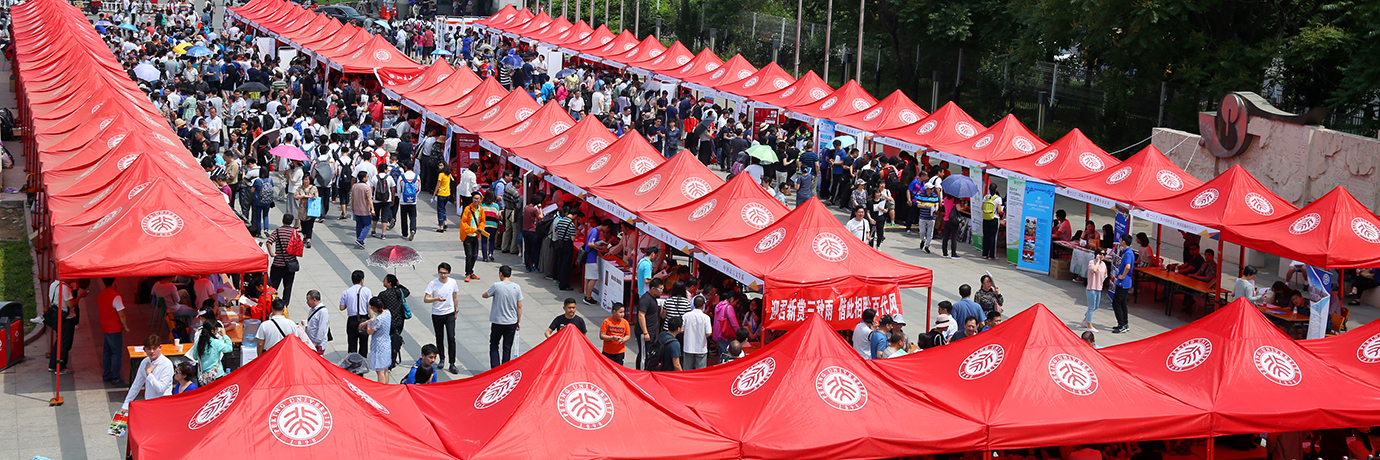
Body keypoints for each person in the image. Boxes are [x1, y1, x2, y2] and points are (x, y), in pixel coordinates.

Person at [483, 265, 524, 369]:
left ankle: (495, 368)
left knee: (494, 344)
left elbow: (485, 295)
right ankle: (505, 368)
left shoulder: (496, 286)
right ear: (510, 274)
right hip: (511, 322)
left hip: (498, 321)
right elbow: (519, 306)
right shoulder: (517, 287)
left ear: (500, 274)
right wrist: (518, 321)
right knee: (507, 347)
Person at [423, 263, 460, 374]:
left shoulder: (453, 282)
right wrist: (436, 299)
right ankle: (441, 358)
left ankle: (452, 362)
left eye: (445, 273)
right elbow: (426, 299)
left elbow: (455, 296)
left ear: (449, 273)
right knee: (439, 337)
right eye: (440, 273)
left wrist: (456, 310)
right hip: (437, 314)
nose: (443, 275)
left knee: (451, 337)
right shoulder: (433, 283)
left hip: (449, 314)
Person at [121, 335, 173, 412]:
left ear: (160, 348)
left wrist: (149, 374)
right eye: (149, 349)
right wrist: (125, 405)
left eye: (154, 348)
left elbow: (160, 389)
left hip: (163, 405)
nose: (152, 351)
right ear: (144, 349)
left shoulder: (167, 364)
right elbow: (136, 384)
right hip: (149, 404)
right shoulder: (145, 362)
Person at [47, 279, 83, 374]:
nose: (73, 279)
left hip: (57, 316)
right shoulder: (65, 288)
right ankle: (61, 366)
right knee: (65, 343)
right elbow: (71, 304)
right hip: (67, 319)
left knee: (59, 340)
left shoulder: (53, 285)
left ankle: (52, 364)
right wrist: (80, 296)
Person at [98, 278, 129, 384]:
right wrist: (125, 326)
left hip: (105, 327)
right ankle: (116, 377)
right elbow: (121, 314)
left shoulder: (101, 294)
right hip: (114, 328)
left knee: (107, 352)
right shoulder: (116, 297)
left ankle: (107, 374)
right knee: (117, 354)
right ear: (114, 282)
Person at [266, 214, 301, 305]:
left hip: (278, 263)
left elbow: (269, 242)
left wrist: (272, 253)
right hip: (290, 264)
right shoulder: (294, 232)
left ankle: (271, 302)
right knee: (288, 286)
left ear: (283, 220)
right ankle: (285, 304)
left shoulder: (277, 231)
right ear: (292, 221)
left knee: (273, 286)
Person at [379, 274, 411, 367]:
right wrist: (398, 284)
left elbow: (378, 304)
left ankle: (388, 358)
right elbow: (407, 292)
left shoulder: (383, 294)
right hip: (399, 320)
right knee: (396, 338)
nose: (383, 281)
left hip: (388, 321)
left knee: (387, 340)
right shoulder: (399, 292)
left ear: (389, 283)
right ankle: (393, 358)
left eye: (385, 280)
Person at [340, 270, 373, 357]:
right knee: (363, 343)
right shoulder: (367, 291)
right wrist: (371, 319)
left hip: (352, 320)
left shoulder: (346, 292)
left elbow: (341, 307)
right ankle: (362, 361)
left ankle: (352, 361)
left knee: (352, 343)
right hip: (364, 319)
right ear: (362, 280)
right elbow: (369, 306)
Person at [360, 297, 392, 383]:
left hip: (379, 345)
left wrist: (368, 324)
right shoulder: (387, 313)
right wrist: (368, 321)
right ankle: (386, 386)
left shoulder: (378, 319)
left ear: (374, 308)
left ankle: (382, 387)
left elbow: (370, 331)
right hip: (386, 343)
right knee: (385, 369)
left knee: (380, 370)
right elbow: (376, 318)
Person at [636, 278, 665, 370]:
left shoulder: (653, 299)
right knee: (644, 354)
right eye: (660, 289)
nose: (662, 291)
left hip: (652, 331)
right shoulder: (645, 299)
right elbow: (641, 315)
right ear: (653, 288)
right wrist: (645, 332)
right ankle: (641, 372)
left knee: (647, 353)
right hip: (645, 331)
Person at [582, 219, 613, 304]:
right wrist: (602, 247)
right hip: (591, 258)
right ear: (607, 227)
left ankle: (587, 295)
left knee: (588, 277)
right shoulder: (596, 232)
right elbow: (590, 244)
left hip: (589, 257)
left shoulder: (594, 230)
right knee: (593, 278)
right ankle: (588, 297)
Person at [459, 191, 488, 281]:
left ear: (481, 200)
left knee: (474, 255)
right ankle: (468, 273)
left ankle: (471, 272)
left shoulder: (481, 210)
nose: (476, 200)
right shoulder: (467, 209)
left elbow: (483, 221)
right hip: (467, 235)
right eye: (475, 198)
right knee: (469, 255)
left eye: (478, 199)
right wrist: (473, 230)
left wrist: (480, 229)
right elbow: (463, 223)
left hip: (476, 236)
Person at [1111, 235, 1136, 333]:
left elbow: (1128, 266)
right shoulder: (1127, 252)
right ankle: (1124, 323)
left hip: (1123, 282)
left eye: (1121, 240)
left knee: (1116, 303)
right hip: (1124, 282)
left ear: (1124, 242)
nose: (1120, 241)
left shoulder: (1128, 253)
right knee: (1123, 303)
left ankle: (1122, 324)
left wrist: (1122, 276)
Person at [681, 297, 712, 370]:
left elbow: (682, 330)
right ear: (703, 306)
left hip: (688, 347)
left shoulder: (686, 316)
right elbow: (708, 333)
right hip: (701, 348)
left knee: (687, 370)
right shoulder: (706, 317)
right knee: (700, 371)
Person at [1084, 249, 1108, 332]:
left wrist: (1101, 283)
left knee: (1096, 306)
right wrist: (1097, 261)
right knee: (1091, 307)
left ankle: (1086, 319)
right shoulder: (1092, 262)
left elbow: (1105, 275)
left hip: (1099, 288)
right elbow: (1094, 270)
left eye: (1104, 254)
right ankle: (1089, 325)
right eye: (1101, 254)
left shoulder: (1104, 264)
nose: (1102, 255)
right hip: (1091, 288)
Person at [397, 161, 420, 240]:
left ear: (405, 167)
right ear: (413, 167)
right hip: (413, 201)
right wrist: (414, 196)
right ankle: (413, 229)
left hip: (403, 201)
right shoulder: (417, 176)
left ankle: (405, 233)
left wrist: (400, 197)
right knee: (413, 216)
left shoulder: (401, 177)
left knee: (404, 217)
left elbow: (399, 189)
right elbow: (418, 189)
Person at [350, 171, 374, 248]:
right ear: (364, 178)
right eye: (367, 176)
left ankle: (359, 239)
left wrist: (352, 206)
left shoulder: (354, 186)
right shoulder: (367, 187)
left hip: (357, 208)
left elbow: (352, 198)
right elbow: (369, 199)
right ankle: (360, 239)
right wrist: (372, 209)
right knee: (368, 225)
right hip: (365, 209)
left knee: (359, 225)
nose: (367, 178)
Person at [295, 174, 319, 248]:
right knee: (303, 225)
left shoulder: (313, 188)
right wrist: (303, 196)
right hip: (302, 210)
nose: (306, 181)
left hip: (311, 209)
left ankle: (308, 240)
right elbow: (295, 196)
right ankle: (305, 236)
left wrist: (312, 197)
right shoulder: (300, 188)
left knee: (309, 226)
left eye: (307, 180)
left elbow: (317, 197)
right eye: (305, 179)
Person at [304, 290, 330, 355]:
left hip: (317, 345)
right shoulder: (312, 309)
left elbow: (322, 329)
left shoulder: (323, 312)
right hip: (311, 342)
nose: (307, 302)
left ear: (314, 300)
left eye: (308, 300)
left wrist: (315, 343)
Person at [980, 183, 1003, 260]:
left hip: (986, 218)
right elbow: (999, 211)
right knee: (992, 237)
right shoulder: (998, 198)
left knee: (986, 236)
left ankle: (985, 254)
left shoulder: (986, 197)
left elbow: (982, 208)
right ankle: (992, 255)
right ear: (996, 189)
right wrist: (1002, 212)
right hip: (994, 218)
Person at [480, 190, 501, 261]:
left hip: (484, 226)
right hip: (493, 225)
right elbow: (498, 215)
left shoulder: (482, 206)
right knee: (492, 240)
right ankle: (491, 253)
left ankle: (485, 257)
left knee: (484, 241)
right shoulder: (496, 206)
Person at [435, 163, 453, 232]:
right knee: (443, 209)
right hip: (447, 194)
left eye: (441, 165)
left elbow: (438, 184)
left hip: (441, 194)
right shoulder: (449, 174)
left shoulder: (441, 174)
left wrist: (434, 194)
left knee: (440, 210)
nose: (439, 167)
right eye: (439, 165)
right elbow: (452, 180)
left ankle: (441, 226)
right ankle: (445, 222)